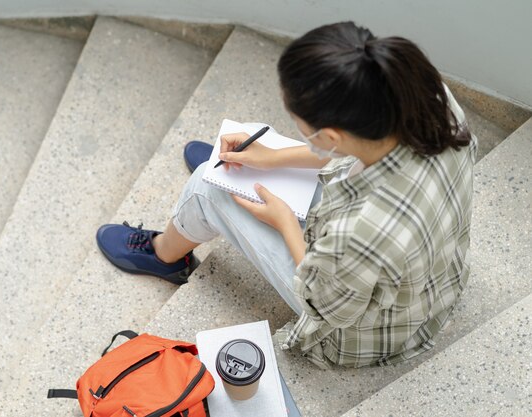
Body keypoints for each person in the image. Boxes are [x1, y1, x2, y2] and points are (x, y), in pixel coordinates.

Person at [96, 21, 477, 368]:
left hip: (363, 329)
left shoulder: (361, 231)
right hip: (430, 280)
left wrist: (283, 221)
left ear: (330, 137)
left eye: (303, 126)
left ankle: (166, 256)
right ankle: (233, 169)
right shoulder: (429, 98)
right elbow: (351, 152)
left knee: (206, 187)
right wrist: (273, 158)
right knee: (240, 147)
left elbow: (324, 304)